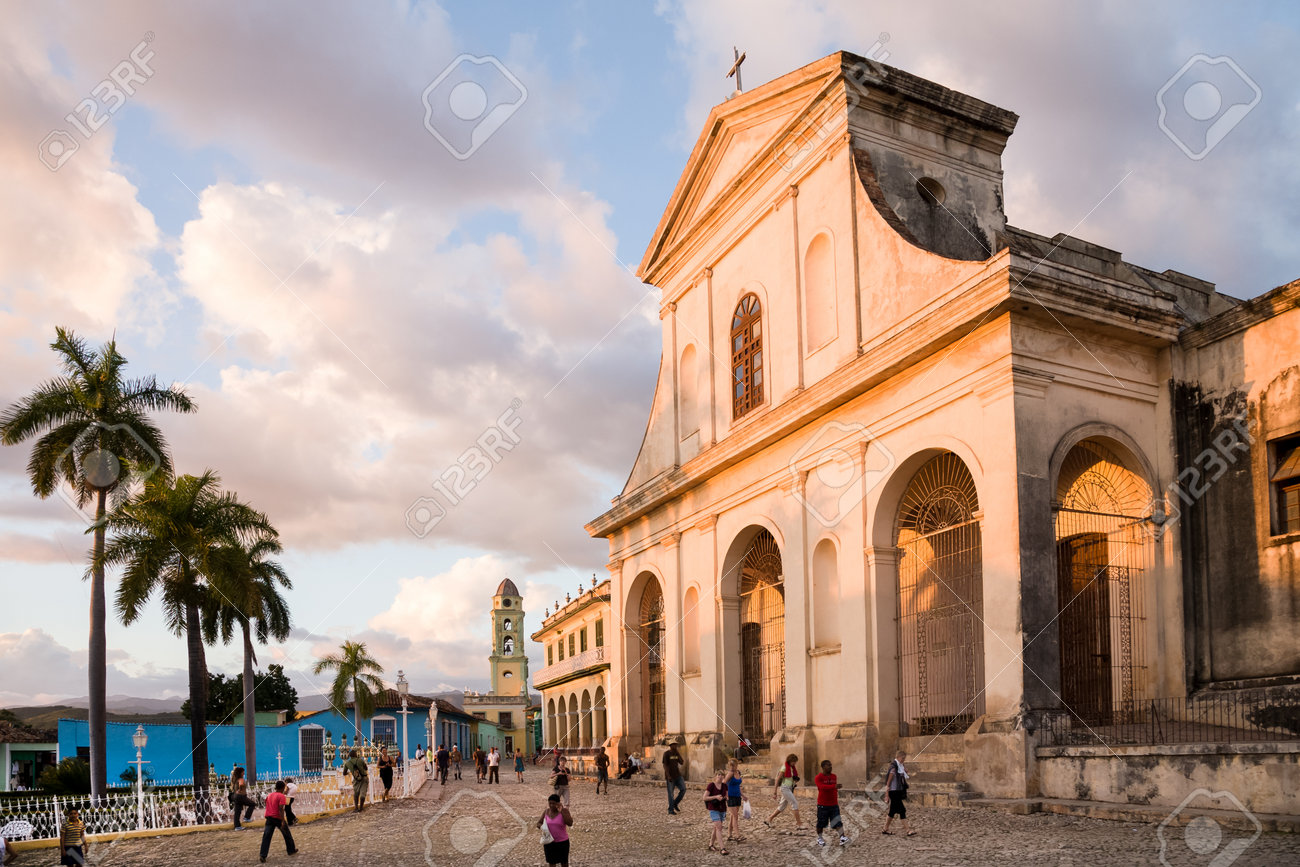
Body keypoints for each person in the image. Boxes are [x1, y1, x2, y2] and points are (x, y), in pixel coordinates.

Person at [764, 754, 806, 831]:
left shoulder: (791, 768)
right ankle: (799, 824)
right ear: (790, 761)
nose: (795, 763)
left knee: (782, 806)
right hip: (785, 788)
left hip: (789, 788)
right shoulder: (784, 767)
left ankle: (769, 819)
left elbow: (790, 779)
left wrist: (795, 780)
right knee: (794, 803)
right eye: (794, 762)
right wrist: (775, 792)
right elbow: (777, 779)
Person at [259, 779, 298, 862]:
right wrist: (283, 820)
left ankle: (263, 855)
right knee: (287, 834)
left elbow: (267, 803)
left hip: (269, 817)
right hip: (277, 818)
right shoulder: (281, 796)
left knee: (266, 836)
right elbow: (281, 808)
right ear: (283, 788)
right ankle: (291, 850)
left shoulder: (270, 795)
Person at [814, 760, 849, 847]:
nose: (830, 767)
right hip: (823, 805)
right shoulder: (818, 777)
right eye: (828, 765)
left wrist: (836, 788)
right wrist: (834, 786)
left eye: (831, 765)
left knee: (838, 822)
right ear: (823, 767)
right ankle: (820, 838)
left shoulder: (834, 776)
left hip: (834, 804)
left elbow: (833, 788)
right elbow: (822, 787)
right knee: (821, 823)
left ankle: (842, 838)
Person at [882, 750, 915, 836]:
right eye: (903, 758)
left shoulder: (900, 766)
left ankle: (885, 829)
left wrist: (904, 771)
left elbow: (902, 775)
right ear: (900, 757)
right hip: (893, 792)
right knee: (902, 810)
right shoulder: (893, 767)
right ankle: (908, 830)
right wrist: (887, 794)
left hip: (898, 791)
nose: (904, 760)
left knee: (892, 811)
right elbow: (888, 782)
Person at [536, 793, 574, 867]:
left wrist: (561, 811)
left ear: (558, 803)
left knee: (564, 863)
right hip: (549, 842)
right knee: (552, 863)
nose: (551, 805)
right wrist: (543, 827)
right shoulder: (546, 812)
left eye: (553, 803)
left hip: (562, 842)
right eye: (550, 803)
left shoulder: (564, 811)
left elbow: (570, 823)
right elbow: (538, 823)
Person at [704, 769, 729, 855]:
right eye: (718, 775)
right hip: (713, 809)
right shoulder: (711, 785)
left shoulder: (725, 786)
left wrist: (725, 798)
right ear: (715, 776)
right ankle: (723, 848)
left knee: (716, 827)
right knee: (719, 827)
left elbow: (727, 795)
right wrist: (715, 797)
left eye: (722, 775)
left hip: (722, 809)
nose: (720, 776)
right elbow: (704, 798)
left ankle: (711, 844)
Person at [724, 758, 746, 842]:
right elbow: (724, 783)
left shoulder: (738, 773)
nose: (732, 767)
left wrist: (743, 795)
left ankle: (729, 835)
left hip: (737, 796)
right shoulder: (730, 773)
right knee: (736, 816)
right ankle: (738, 835)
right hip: (730, 797)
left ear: (737, 765)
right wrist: (725, 794)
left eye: (734, 765)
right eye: (731, 765)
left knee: (733, 816)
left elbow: (738, 786)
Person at [663, 742, 686, 815]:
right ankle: (670, 809)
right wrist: (668, 775)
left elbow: (681, 762)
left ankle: (675, 803)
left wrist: (678, 754)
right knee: (671, 793)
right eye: (674, 745)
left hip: (678, 775)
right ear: (670, 746)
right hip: (670, 776)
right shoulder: (666, 754)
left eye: (676, 745)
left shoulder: (676, 753)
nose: (676, 746)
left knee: (683, 789)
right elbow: (665, 765)